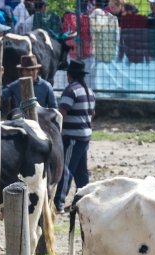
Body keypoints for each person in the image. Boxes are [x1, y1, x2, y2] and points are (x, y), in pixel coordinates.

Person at [53, 59, 94, 213]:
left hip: (72, 137)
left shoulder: (71, 90)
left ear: (69, 75)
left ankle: (58, 203)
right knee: (81, 171)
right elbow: (93, 113)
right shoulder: (89, 91)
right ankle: (85, 200)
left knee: (66, 169)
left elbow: (61, 112)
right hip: (85, 136)